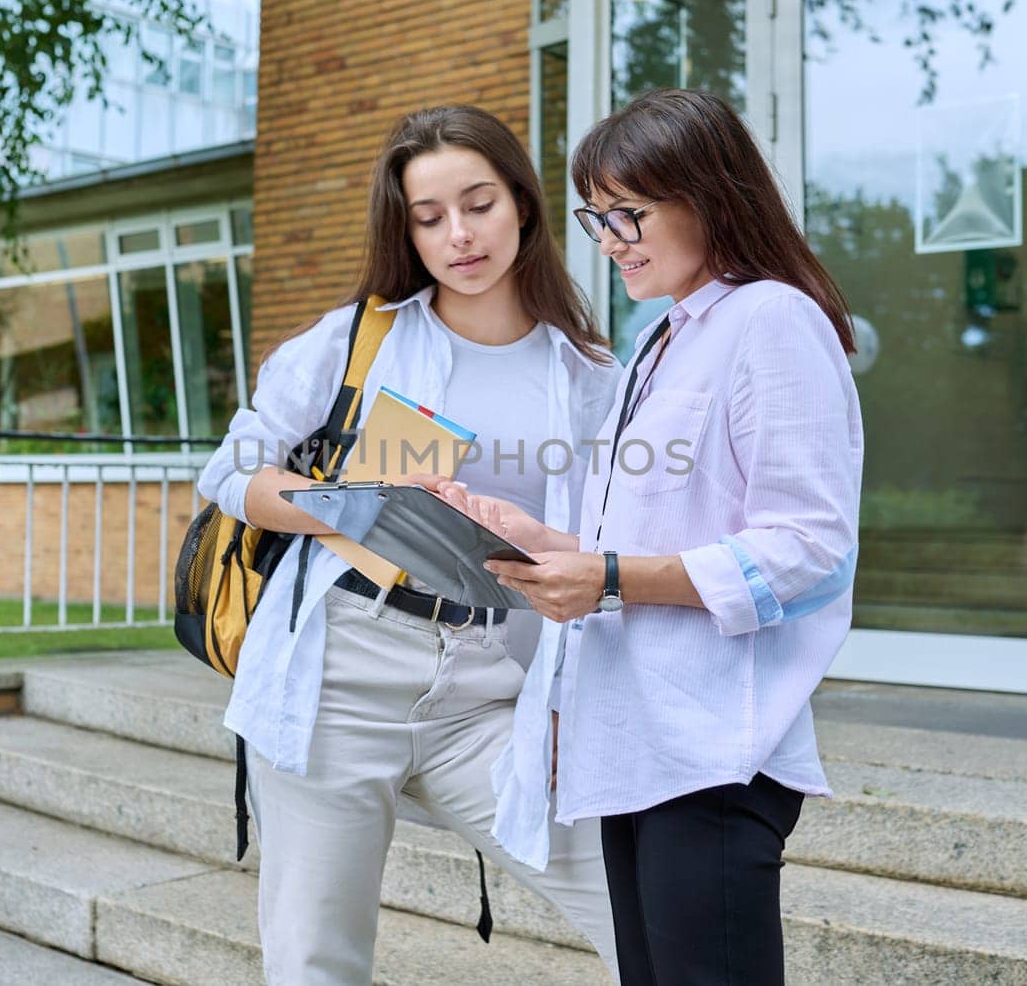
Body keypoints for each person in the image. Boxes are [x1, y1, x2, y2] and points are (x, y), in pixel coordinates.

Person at [436, 88, 864, 985]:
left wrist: (612, 577)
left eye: (629, 212)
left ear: (710, 195)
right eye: (598, 217)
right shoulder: (659, 343)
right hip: (633, 741)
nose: (610, 239)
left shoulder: (772, 320)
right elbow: (639, 537)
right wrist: (537, 539)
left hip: (712, 750)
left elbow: (807, 543)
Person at [196, 104, 623, 984]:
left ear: (523, 206)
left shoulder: (586, 375)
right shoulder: (366, 335)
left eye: (478, 205)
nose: (459, 235)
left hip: (485, 681)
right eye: (429, 218)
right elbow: (233, 475)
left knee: (629, 900)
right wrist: (358, 507)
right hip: (340, 669)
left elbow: (603, 542)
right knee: (319, 959)